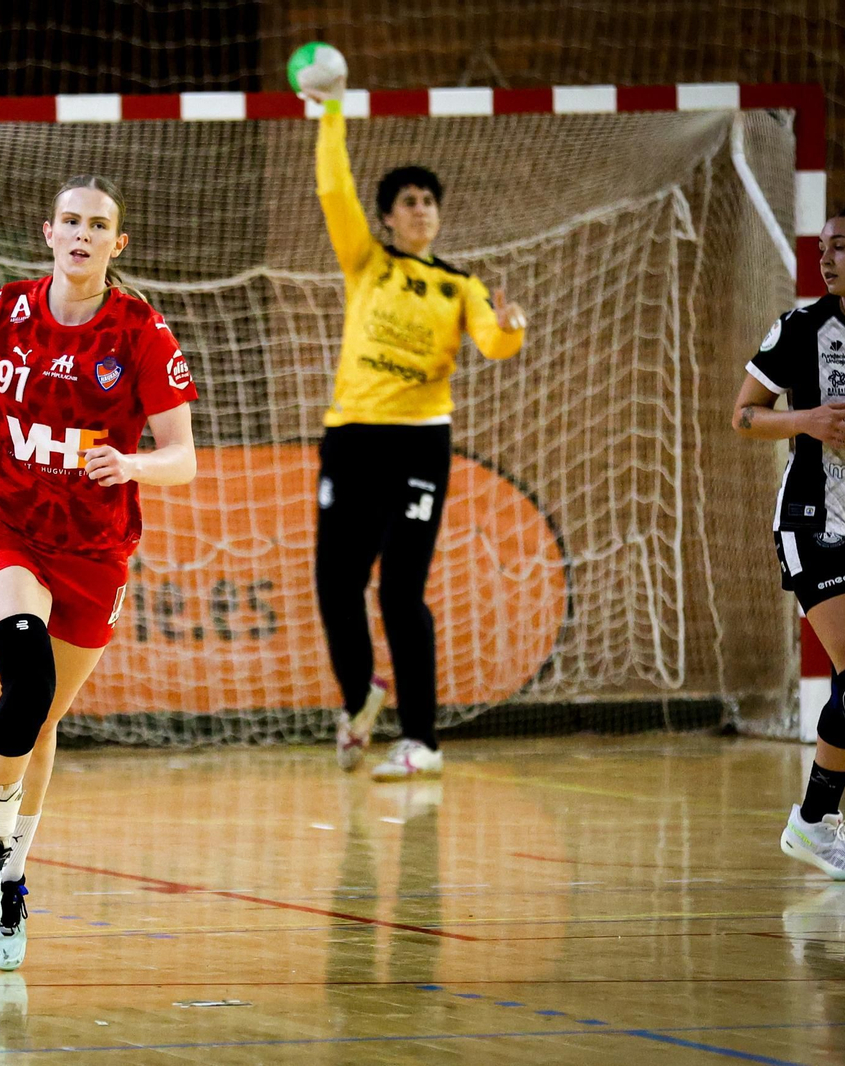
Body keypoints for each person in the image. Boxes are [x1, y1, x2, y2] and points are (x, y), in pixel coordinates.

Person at [0, 175, 199, 968]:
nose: (82, 234)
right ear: (47, 234)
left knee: (42, 717)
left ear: (116, 246)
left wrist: (134, 465)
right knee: (24, 664)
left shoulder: (142, 332)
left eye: (99, 226)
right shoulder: (8, 310)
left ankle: (12, 877)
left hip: (93, 549)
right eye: (70, 221)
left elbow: (183, 458)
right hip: (3, 521)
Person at [300, 69, 527, 779]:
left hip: (420, 443)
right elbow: (334, 189)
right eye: (408, 201)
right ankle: (360, 696)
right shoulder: (366, 262)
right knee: (337, 584)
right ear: (389, 216)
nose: (422, 209)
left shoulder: (462, 286)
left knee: (401, 589)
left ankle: (421, 740)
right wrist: (330, 109)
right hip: (352, 438)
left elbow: (490, 339)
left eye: (430, 201)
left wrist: (510, 330)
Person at [731, 203, 845, 890]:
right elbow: (744, 415)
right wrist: (807, 419)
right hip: (815, 518)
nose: (826, 258)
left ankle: (811, 820)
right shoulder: (801, 328)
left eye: (841, 246)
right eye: (823, 247)